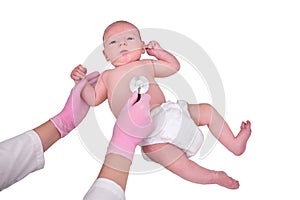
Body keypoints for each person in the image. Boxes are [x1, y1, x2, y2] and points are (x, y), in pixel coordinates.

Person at [71, 20, 252, 189]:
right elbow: (93, 99)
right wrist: (81, 83)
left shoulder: (145, 63)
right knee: (180, 165)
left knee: (206, 110)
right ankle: (213, 177)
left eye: (129, 38)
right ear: (105, 55)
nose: (122, 44)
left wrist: (159, 53)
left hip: (170, 113)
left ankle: (234, 143)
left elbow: (173, 66)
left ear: (142, 46)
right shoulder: (106, 77)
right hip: (148, 135)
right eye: (113, 42)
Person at [0, 70, 154, 200]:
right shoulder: (109, 75)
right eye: (113, 42)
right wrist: (123, 145)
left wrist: (61, 123)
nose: (122, 44)